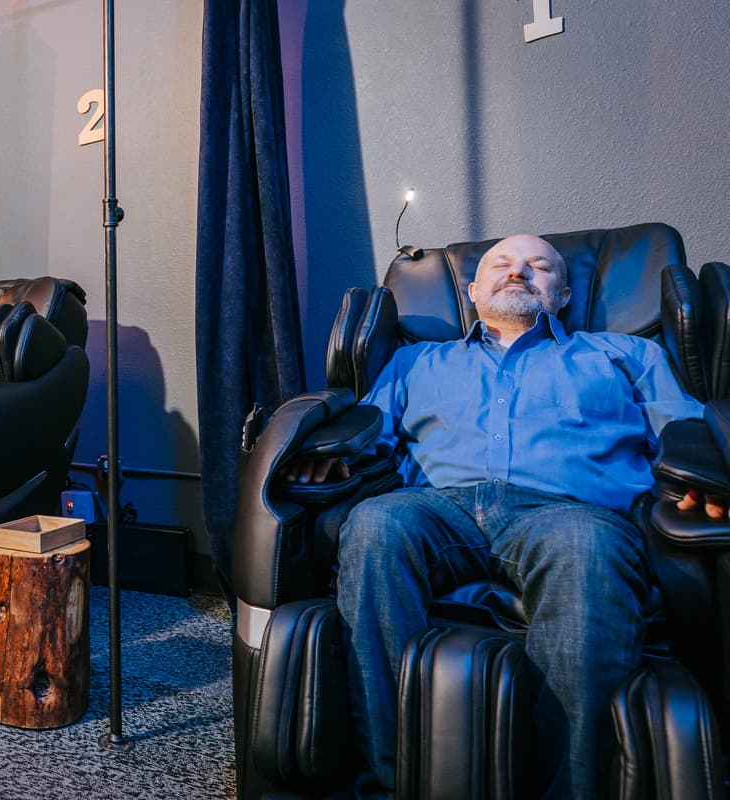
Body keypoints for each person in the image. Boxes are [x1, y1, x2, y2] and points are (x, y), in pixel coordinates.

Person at [286, 235, 719, 799]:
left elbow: (685, 430)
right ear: (472, 292)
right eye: (501, 265)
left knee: (584, 549)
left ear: (561, 294)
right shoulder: (416, 358)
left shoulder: (625, 353)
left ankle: (567, 789)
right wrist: (335, 460)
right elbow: (366, 431)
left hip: (569, 512)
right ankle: (392, 781)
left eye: (538, 267)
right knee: (373, 524)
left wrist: (707, 481)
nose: (518, 273)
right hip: (439, 507)